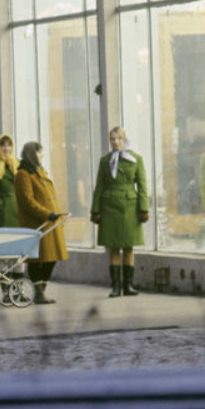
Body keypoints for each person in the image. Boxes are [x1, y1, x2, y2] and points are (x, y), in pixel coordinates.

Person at [90, 126, 149, 297]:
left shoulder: (135, 159)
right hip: (109, 207)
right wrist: (95, 210)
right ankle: (115, 286)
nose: (116, 142)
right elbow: (99, 187)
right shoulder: (105, 161)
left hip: (130, 208)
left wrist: (144, 208)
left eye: (119, 139)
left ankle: (128, 286)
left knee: (129, 247)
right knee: (113, 247)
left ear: (124, 140)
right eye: (113, 139)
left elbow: (143, 186)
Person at [14, 141, 67, 304]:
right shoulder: (23, 174)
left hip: (50, 222)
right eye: (39, 152)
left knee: (52, 257)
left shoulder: (40, 171)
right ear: (31, 154)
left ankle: (41, 291)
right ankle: (38, 293)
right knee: (37, 259)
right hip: (37, 223)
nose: (42, 155)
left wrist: (56, 216)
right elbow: (27, 201)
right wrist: (46, 214)